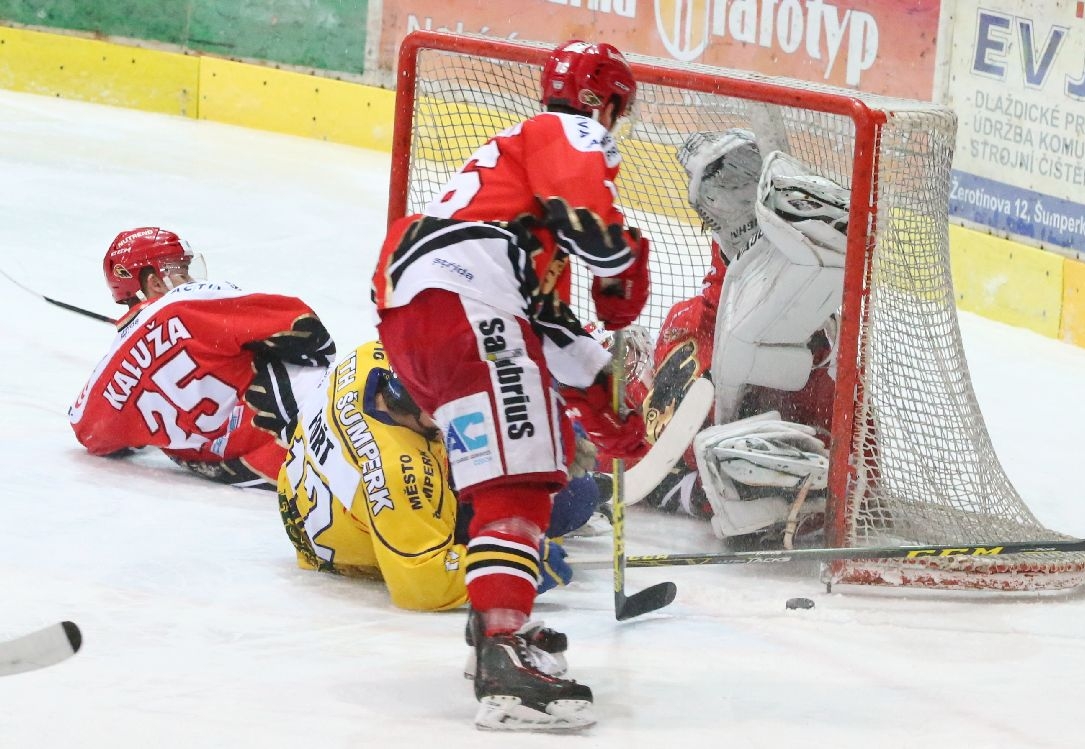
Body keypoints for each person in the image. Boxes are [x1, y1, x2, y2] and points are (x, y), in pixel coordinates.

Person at [371, 40, 650, 730]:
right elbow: (591, 221)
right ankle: (503, 661)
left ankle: (495, 626)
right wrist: (618, 263)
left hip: (414, 311)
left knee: (515, 466)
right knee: (518, 484)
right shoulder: (566, 128)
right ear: (602, 101)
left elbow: (549, 327)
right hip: (467, 296)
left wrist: (610, 411)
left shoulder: (508, 211)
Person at [276, 340, 598, 615]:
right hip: (362, 537)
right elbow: (422, 583)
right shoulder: (400, 476)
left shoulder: (372, 357)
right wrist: (516, 563)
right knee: (573, 500)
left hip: (312, 499)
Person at [635, 130, 848, 544]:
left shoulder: (816, 341)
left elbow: (855, 475)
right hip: (694, 459)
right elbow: (650, 444)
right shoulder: (689, 324)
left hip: (763, 483)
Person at [69, 226, 336, 489]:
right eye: (181, 271)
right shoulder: (187, 302)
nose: (190, 280)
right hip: (320, 414)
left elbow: (92, 435)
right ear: (155, 282)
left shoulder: (103, 383)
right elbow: (307, 331)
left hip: (275, 468)